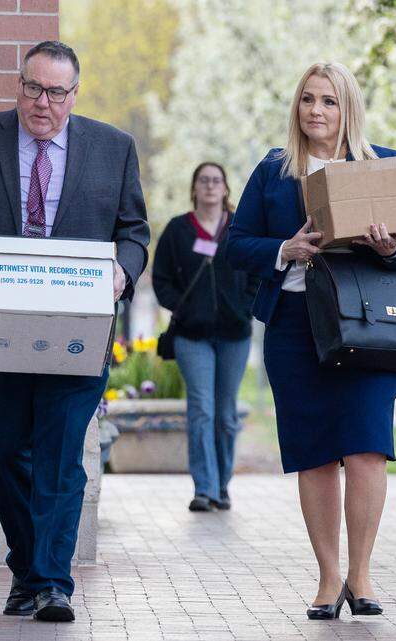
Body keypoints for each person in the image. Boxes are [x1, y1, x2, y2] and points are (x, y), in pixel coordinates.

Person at [0, 40, 150, 623]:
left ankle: (51, 582)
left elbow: (135, 232)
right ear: (18, 85)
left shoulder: (113, 148)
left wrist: (123, 269)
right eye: (32, 88)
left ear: (75, 95)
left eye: (55, 92)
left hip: (79, 330)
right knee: (3, 453)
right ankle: (28, 568)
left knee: (60, 453)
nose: (41, 103)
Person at [225, 62, 396, 620]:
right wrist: (283, 249)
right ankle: (328, 577)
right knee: (315, 454)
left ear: (349, 109)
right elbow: (235, 244)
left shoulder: (382, 165)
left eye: (329, 101)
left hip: (368, 325)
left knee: (365, 448)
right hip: (294, 325)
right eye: (308, 99)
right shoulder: (273, 171)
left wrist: (390, 249)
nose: (316, 111)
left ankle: (361, 575)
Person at [152, 162, 259, 513]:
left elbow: (258, 273)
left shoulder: (240, 230)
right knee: (200, 410)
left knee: (225, 414)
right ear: (194, 188)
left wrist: (245, 307)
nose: (211, 186)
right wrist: (181, 310)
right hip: (191, 336)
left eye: (217, 181)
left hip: (234, 334)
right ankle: (204, 488)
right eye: (204, 181)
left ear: (226, 188)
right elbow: (162, 280)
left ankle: (223, 486)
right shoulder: (178, 230)